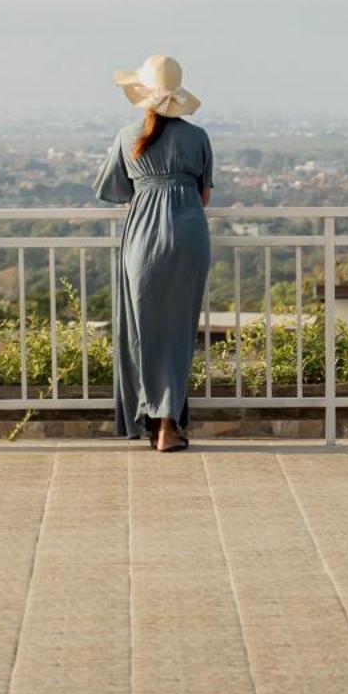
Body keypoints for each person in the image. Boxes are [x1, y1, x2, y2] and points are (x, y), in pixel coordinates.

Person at [93, 54, 213, 453]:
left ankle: (148, 418)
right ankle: (168, 425)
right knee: (179, 332)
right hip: (189, 235)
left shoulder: (127, 136)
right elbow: (204, 195)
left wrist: (149, 190)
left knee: (142, 330)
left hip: (142, 236)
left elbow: (112, 190)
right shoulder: (197, 138)